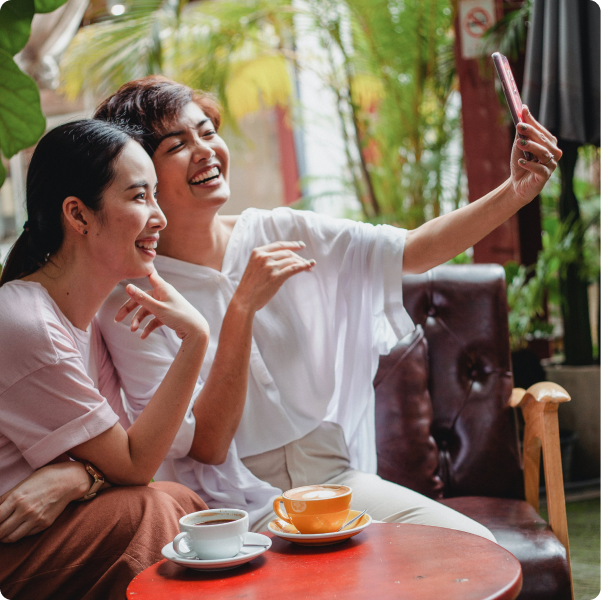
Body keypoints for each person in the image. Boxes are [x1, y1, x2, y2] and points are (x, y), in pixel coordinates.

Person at [92, 75, 560, 539]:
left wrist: (515, 190)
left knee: (471, 548)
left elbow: (413, 251)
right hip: (230, 510)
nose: (204, 150)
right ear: (140, 176)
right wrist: (242, 309)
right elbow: (207, 446)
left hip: (333, 481)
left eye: (208, 132)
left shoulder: (279, 230)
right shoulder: (130, 299)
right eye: (176, 145)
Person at [0, 119, 212, 600]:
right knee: (153, 513)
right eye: (140, 197)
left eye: (156, 196)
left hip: (49, 535)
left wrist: (80, 476)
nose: (159, 216)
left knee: (176, 503)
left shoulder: (90, 322)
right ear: (78, 215)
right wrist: (195, 338)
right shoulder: (26, 323)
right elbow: (135, 465)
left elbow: (125, 465)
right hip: (10, 548)